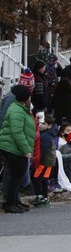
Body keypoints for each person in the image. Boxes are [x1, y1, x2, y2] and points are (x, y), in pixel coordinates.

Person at [0, 85, 36, 213]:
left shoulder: (20, 108)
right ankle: (10, 203)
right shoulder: (17, 111)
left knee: (16, 176)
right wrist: (26, 149)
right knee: (16, 176)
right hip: (13, 148)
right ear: (25, 98)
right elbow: (17, 132)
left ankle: (14, 201)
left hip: (13, 147)